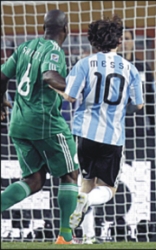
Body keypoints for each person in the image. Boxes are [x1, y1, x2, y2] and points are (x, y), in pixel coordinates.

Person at [56, 15, 144, 244]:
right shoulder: (131, 69)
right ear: (117, 42)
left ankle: (86, 237)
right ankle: (88, 208)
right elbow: (140, 103)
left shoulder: (84, 64)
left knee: (86, 183)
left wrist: (50, 85)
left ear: (94, 42)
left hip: (84, 134)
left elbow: (69, 96)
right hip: (113, 136)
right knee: (107, 189)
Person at [0, 9, 79, 244]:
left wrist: (1, 102)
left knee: (33, 180)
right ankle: (65, 236)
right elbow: (49, 75)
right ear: (66, 29)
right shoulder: (54, 50)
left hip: (19, 123)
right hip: (45, 122)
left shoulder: (24, 47)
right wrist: (73, 90)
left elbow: (2, 77)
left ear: (44, 28)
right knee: (70, 175)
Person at [120, 27, 156, 131]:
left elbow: (152, 98)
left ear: (133, 42)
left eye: (127, 38)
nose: (124, 43)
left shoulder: (142, 67)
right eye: (120, 39)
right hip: (114, 129)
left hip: (139, 128)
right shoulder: (108, 67)